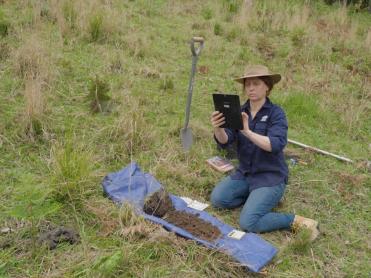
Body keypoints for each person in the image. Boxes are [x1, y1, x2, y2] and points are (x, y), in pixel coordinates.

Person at [210, 65, 319, 240]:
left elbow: (275, 145)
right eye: (247, 84)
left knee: (248, 223)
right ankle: (255, 199)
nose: (251, 88)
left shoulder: (277, 113)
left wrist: (248, 132)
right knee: (218, 200)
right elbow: (225, 141)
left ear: (267, 86)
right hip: (245, 173)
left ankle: (294, 220)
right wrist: (217, 128)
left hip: (270, 177)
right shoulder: (239, 111)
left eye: (256, 83)